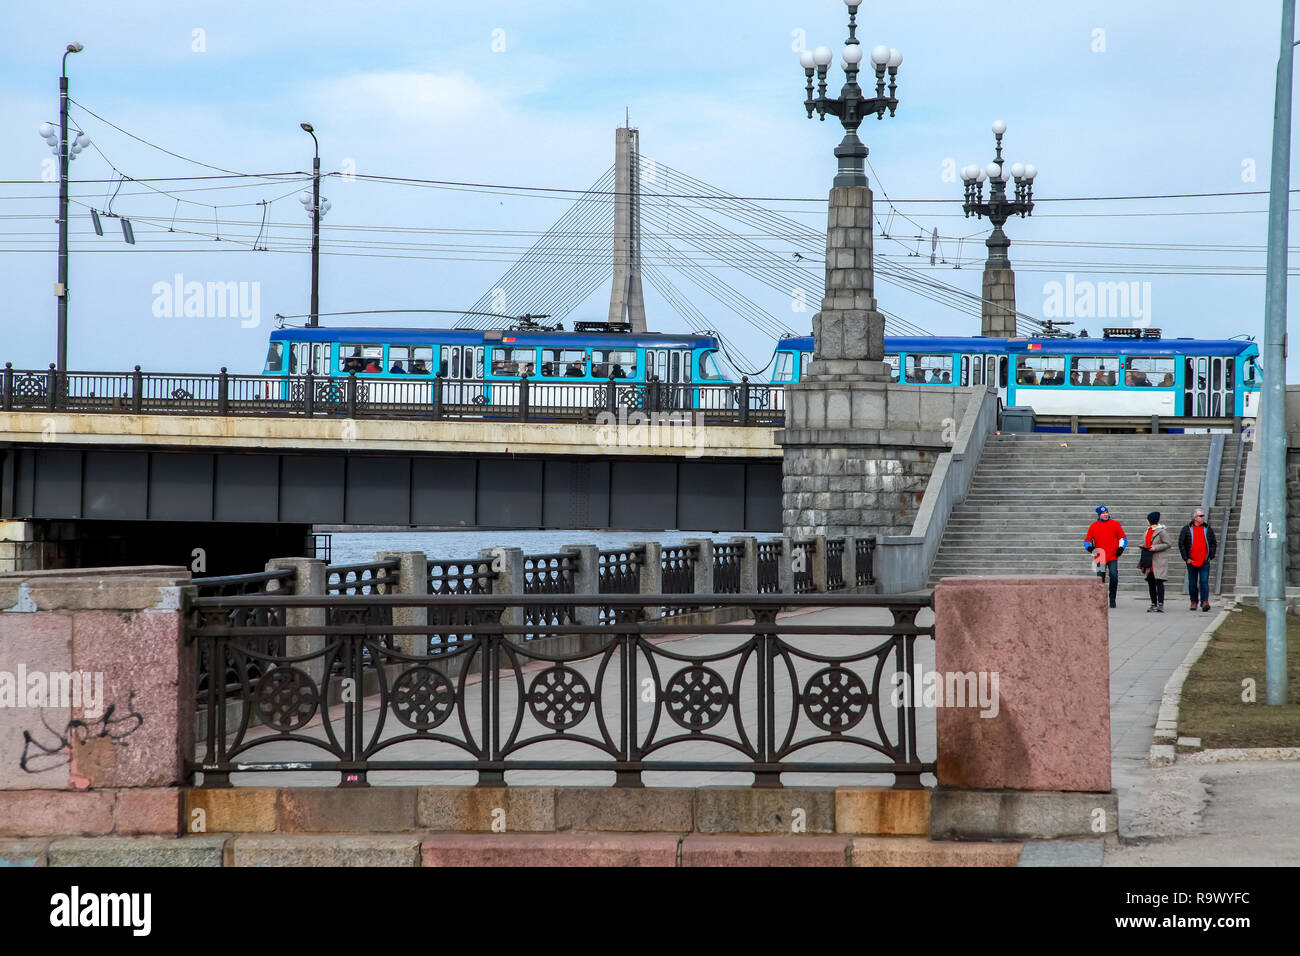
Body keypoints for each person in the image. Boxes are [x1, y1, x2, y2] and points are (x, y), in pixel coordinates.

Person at [1084, 505, 1128, 609]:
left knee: (1114, 577)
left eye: (1106, 513)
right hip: (1100, 557)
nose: (1106, 514)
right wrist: (1090, 548)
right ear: (1099, 515)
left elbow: (1123, 538)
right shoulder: (1093, 526)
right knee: (1100, 579)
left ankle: (1112, 599)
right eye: (1103, 513)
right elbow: (1087, 540)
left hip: (1112, 556)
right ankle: (1100, 600)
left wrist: (1121, 548)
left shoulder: (1115, 524)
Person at [1178, 509, 1218, 612]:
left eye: (1203, 515)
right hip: (1192, 561)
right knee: (1192, 583)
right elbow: (1181, 543)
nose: (1203, 517)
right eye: (1201, 516)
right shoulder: (1186, 529)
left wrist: (1211, 556)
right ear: (1195, 518)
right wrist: (1186, 558)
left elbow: (1213, 543)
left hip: (1204, 561)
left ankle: (1205, 602)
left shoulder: (1208, 529)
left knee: (1204, 582)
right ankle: (1193, 601)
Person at [1140, 511, 1171, 613]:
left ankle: (1160, 604)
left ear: (1151, 520)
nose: (1146, 521)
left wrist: (1155, 547)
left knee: (1159, 582)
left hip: (1159, 560)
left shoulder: (1161, 532)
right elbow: (1147, 544)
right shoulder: (1146, 531)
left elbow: (1168, 544)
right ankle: (1153, 603)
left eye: (1148, 519)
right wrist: (1143, 547)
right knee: (1151, 583)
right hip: (1149, 560)